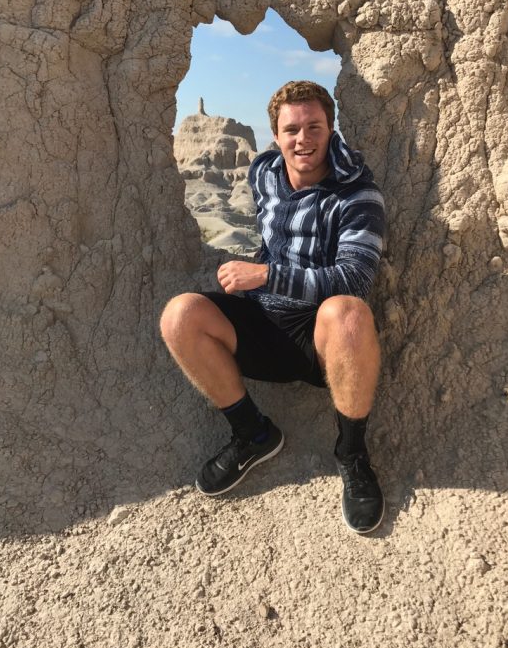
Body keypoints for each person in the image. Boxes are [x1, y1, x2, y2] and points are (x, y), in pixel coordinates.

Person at [160, 80, 386, 533]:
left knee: (348, 312)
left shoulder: (358, 196)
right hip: (264, 319)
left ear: (331, 127)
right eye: (292, 129)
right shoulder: (264, 171)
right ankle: (253, 433)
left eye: (314, 127)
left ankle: (352, 453)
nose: (303, 139)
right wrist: (260, 276)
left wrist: (264, 274)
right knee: (179, 314)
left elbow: (355, 277)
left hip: (317, 340)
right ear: (276, 135)